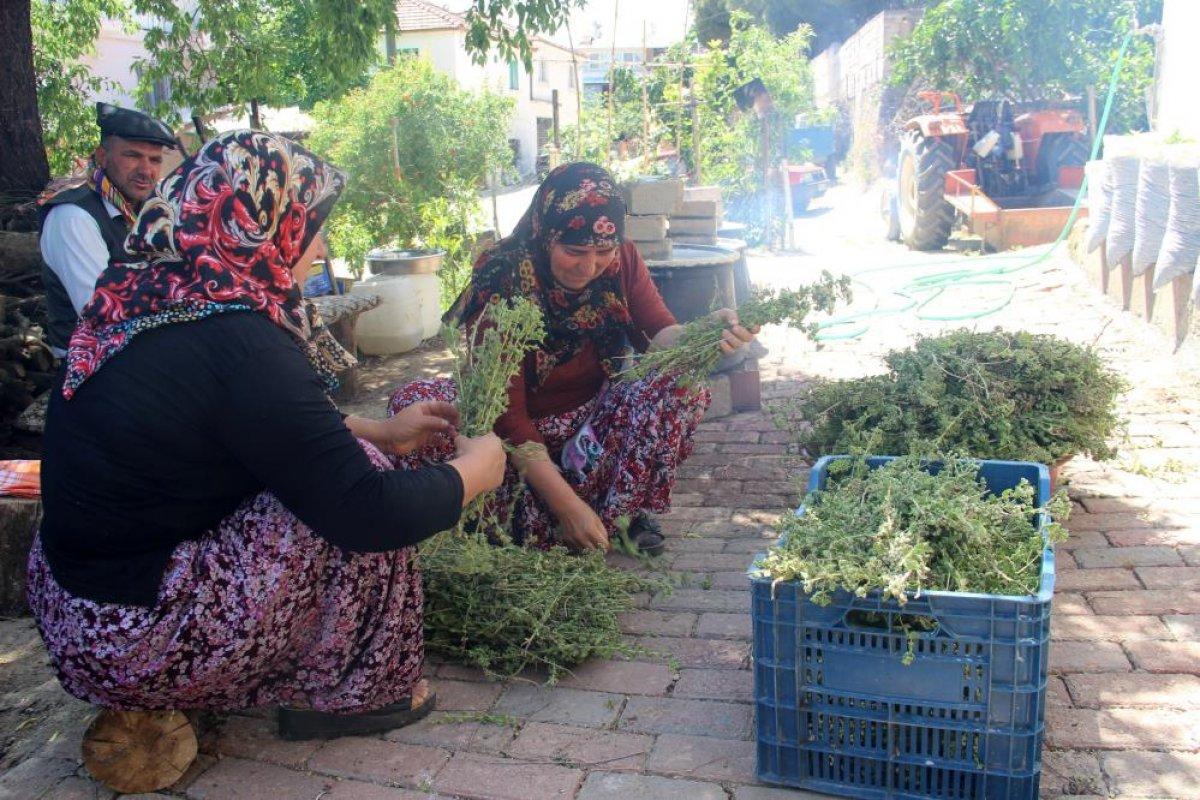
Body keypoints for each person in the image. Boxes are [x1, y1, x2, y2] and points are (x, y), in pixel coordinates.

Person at [27, 131, 506, 740]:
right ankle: (354, 691)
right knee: (355, 484)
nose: (320, 245)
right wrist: (475, 472)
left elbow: (239, 423)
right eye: (313, 224)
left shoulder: (143, 294)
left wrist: (379, 429)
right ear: (260, 226)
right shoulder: (240, 339)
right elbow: (366, 513)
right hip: (137, 645)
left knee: (343, 460)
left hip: (76, 618)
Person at [389, 163, 756, 555]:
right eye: (574, 251)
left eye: (602, 251)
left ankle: (620, 514)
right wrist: (567, 506)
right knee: (414, 406)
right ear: (547, 236)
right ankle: (551, 512)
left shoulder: (622, 260)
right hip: (509, 434)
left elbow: (658, 336)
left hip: (587, 421)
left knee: (679, 385)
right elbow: (507, 418)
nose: (589, 266)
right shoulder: (504, 278)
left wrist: (703, 334)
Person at [38, 103, 178, 355]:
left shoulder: (151, 209)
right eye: (133, 156)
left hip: (142, 348)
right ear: (102, 156)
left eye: (155, 160)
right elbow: (103, 316)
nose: (146, 171)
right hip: (93, 365)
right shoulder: (73, 217)